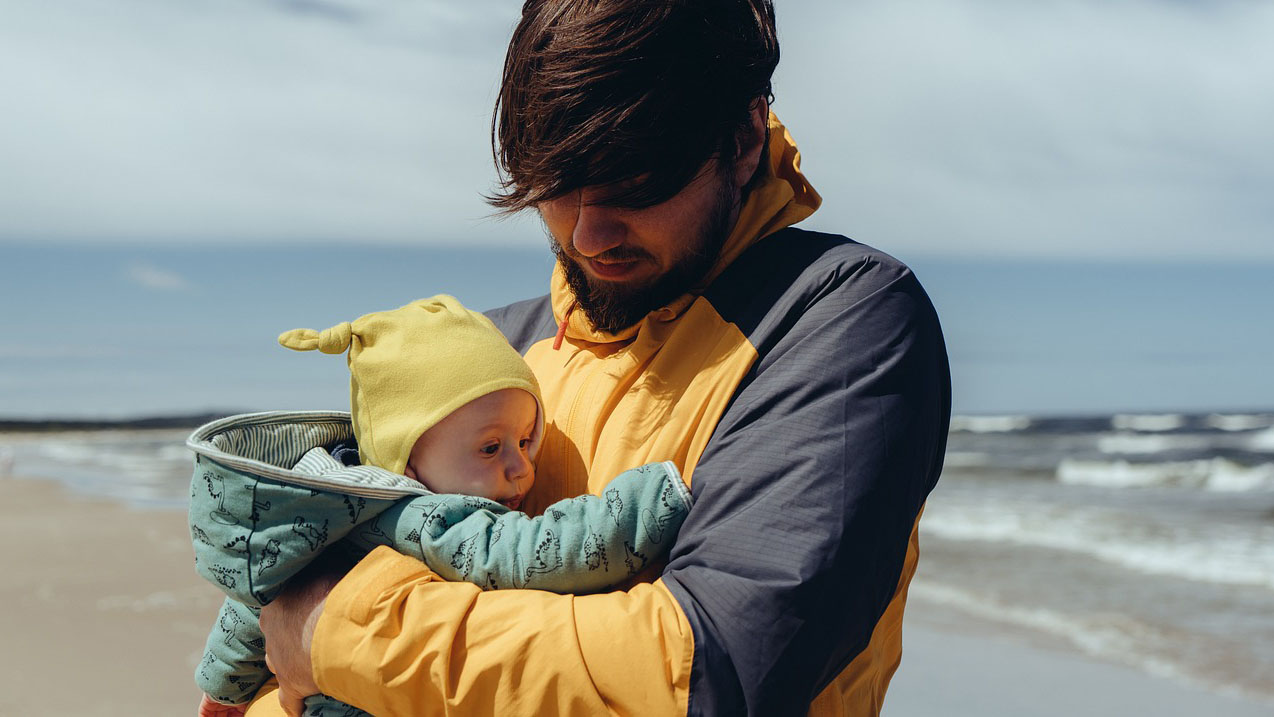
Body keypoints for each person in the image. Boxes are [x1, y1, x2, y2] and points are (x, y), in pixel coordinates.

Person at [253, 1, 951, 715]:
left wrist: (339, 632)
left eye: (634, 183)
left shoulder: (838, 320)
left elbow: (709, 671)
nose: (587, 235)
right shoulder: (493, 354)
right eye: (555, 186)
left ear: (742, 139)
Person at [188, 296, 690, 716]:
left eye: (525, 439)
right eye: (491, 448)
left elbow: (250, 607)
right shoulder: (428, 518)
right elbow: (536, 553)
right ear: (406, 462)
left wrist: (222, 689)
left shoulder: (323, 507)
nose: (522, 468)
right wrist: (652, 499)